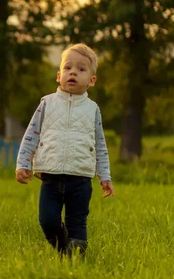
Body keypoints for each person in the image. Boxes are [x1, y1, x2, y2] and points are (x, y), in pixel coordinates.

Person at [15, 43, 115, 256]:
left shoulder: (92, 109)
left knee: (77, 222)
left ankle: (76, 259)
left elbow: (99, 144)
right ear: (59, 75)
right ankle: (63, 250)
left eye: (81, 69)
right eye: (68, 68)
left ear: (91, 80)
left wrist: (104, 176)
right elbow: (31, 134)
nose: (73, 73)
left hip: (80, 179)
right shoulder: (47, 103)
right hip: (50, 177)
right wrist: (23, 164)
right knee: (47, 221)